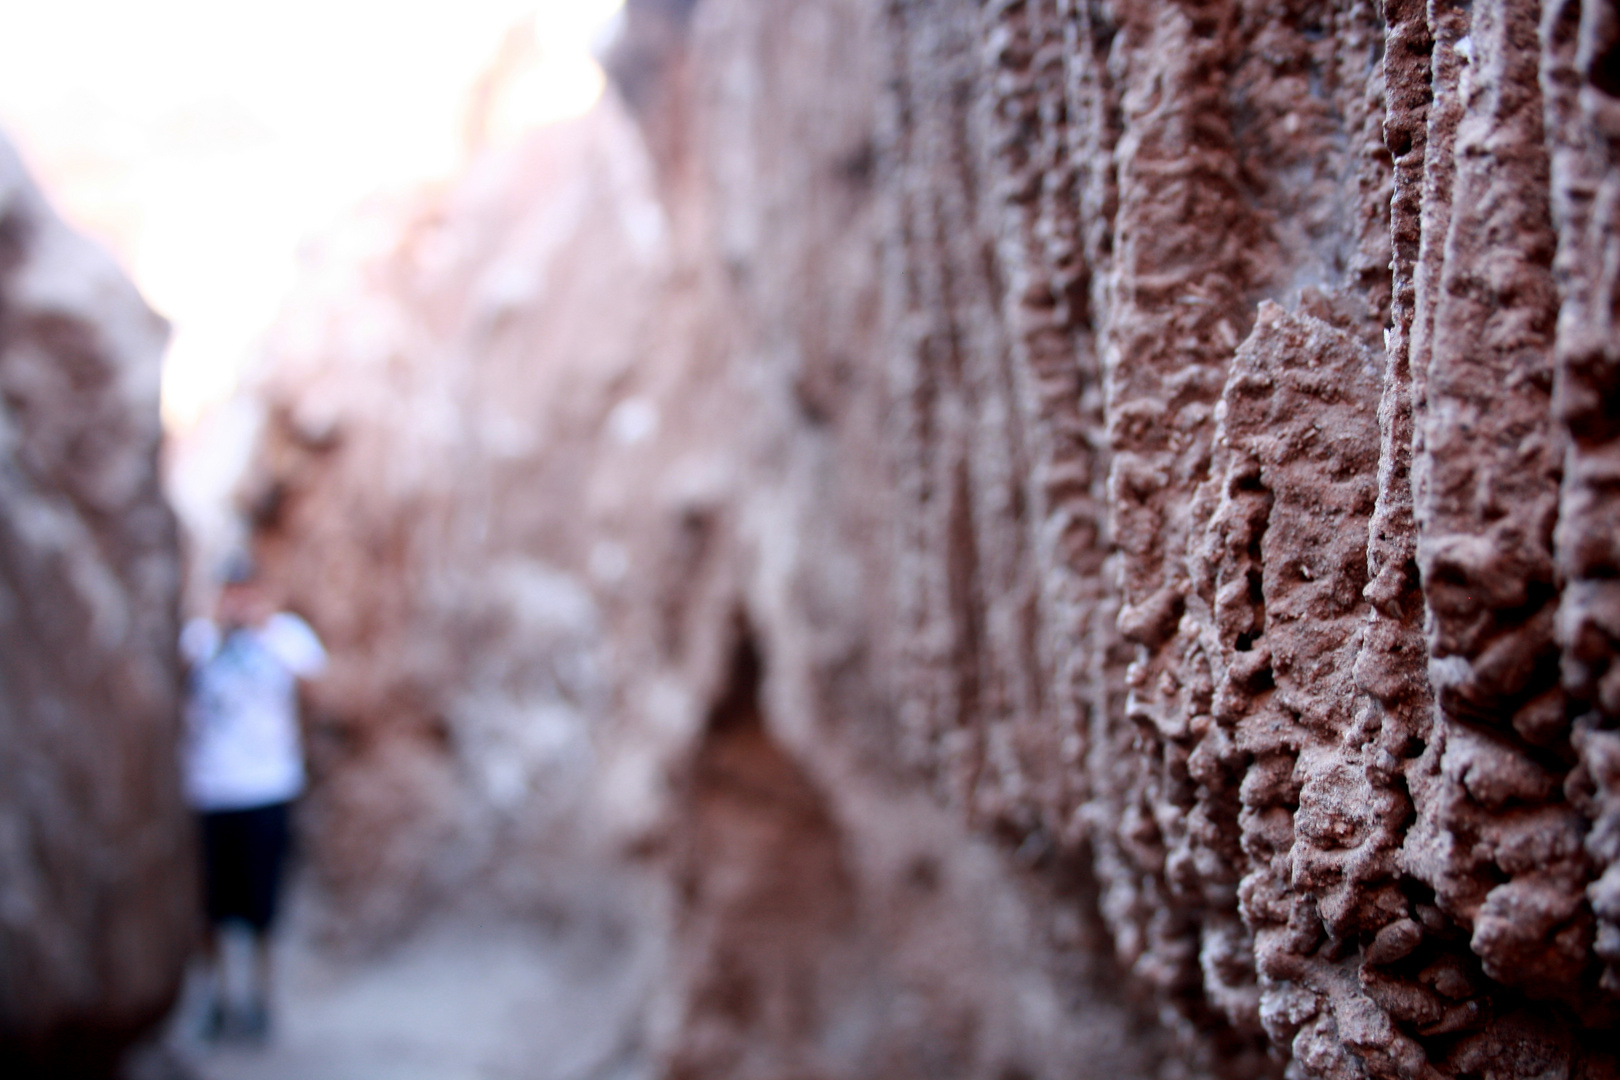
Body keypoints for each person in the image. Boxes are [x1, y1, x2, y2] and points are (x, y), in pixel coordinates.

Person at [179, 554, 326, 1042]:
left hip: (267, 788)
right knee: (211, 907)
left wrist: (263, 633)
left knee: (264, 903)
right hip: (211, 791)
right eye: (231, 592)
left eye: (247, 591)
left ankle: (262, 1000)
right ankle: (219, 998)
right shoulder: (200, 641)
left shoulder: (285, 636)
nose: (238, 601)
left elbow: (319, 686)